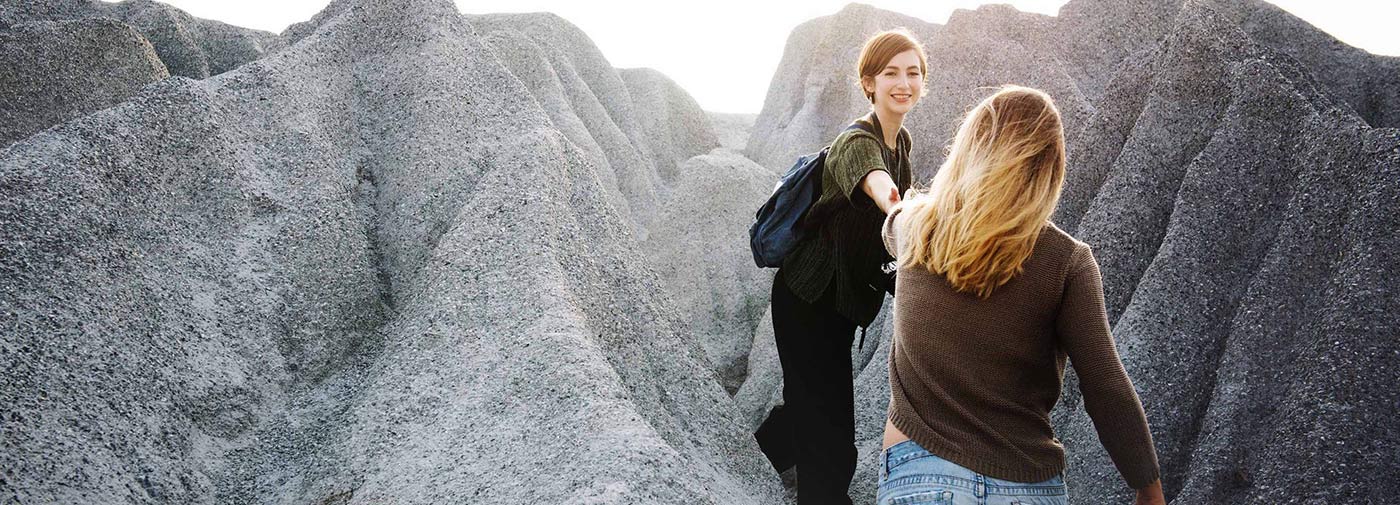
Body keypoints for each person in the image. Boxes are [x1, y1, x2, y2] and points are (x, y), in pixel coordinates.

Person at [876, 85, 1167, 505]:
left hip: (919, 478)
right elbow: (1105, 385)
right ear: (1048, 167)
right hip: (1025, 487)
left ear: (969, 148)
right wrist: (1149, 487)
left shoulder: (915, 229)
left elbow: (892, 223)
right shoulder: (1067, 261)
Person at [765, 28, 925, 505]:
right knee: (831, 428)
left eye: (913, 73)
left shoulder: (901, 145)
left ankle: (749, 457)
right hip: (807, 299)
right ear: (869, 82)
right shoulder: (859, 143)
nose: (903, 83)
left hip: (837, 306)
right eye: (891, 73)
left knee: (814, 406)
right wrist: (904, 210)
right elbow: (883, 193)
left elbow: (882, 241)